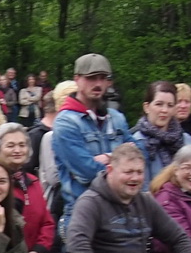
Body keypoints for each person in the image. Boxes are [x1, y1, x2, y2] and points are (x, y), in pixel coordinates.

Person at [51, 53, 133, 234]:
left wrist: (108, 158)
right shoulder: (65, 122)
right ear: (77, 79)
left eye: (103, 78)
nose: (98, 84)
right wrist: (122, 163)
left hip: (121, 214)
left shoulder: (116, 117)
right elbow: (87, 172)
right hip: (83, 216)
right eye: (91, 78)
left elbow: (138, 157)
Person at [0, 124, 55, 253]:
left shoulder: (33, 182)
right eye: (10, 145)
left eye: (22, 145)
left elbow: (47, 223)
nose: (17, 150)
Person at [134, 81, 184, 186]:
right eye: (159, 104)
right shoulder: (136, 143)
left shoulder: (186, 140)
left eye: (170, 105)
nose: (164, 110)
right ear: (146, 107)